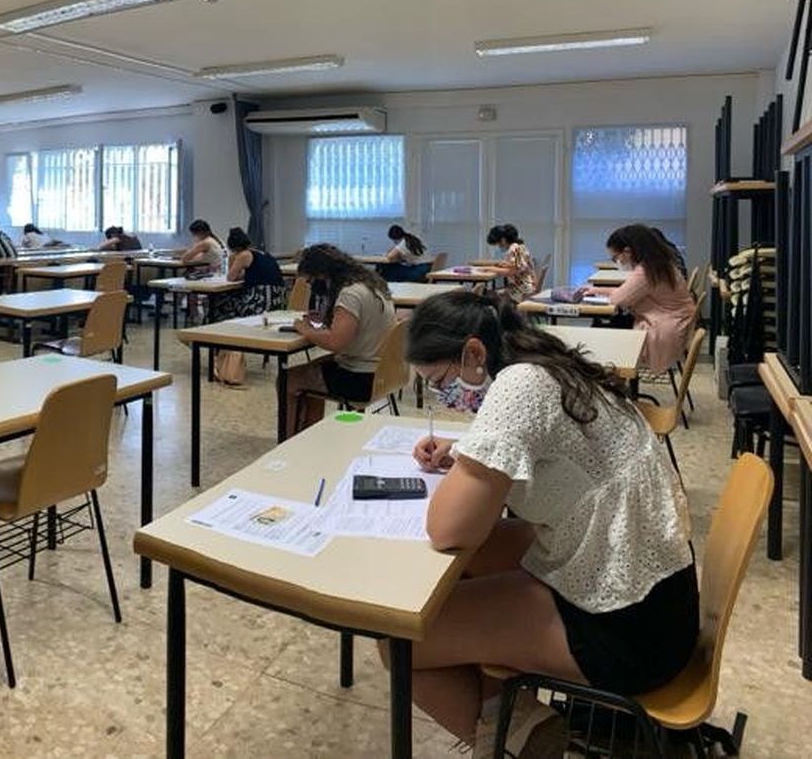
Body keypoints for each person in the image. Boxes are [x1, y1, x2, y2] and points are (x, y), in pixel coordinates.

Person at [397, 289, 695, 756]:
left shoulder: (518, 387)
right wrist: (463, 455)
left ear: (474, 352)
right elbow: (553, 449)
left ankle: (519, 745)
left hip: (625, 630)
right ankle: (511, 718)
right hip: (659, 599)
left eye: (440, 381)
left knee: (400, 640)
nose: (443, 397)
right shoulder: (544, 364)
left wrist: (465, 470)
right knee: (477, 557)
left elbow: (448, 528)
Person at [282, 244, 397, 425]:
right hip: (384, 372)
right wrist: (328, 320)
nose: (312, 286)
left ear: (322, 274)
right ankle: (308, 432)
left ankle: (288, 441)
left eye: (311, 281)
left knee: (286, 380)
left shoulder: (349, 294)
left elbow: (335, 342)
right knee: (313, 368)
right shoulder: (371, 286)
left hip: (360, 379)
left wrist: (303, 328)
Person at [590, 224, 696, 373]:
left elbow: (619, 300)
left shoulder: (646, 271)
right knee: (613, 323)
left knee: (602, 332)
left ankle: (616, 377)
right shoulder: (659, 265)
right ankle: (618, 380)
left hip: (663, 331)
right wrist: (598, 290)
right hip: (674, 324)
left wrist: (602, 292)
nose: (617, 262)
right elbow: (627, 292)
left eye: (615, 258)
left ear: (627, 251)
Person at [207, 228, 284, 385]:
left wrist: (232, 259)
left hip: (261, 301)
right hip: (277, 300)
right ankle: (222, 349)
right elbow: (249, 274)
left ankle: (219, 349)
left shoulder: (243, 255)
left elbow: (230, 277)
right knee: (227, 302)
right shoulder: (262, 254)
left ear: (233, 247)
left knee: (221, 306)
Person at [485, 224, 538, 301]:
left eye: (498, 243)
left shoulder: (513, 249)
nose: (499, 246)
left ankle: (502, 312)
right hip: (527, 286)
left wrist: (490, 269)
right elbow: (518, 266)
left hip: (522, 289)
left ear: (503, 240)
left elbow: (512, 271)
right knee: (490, 292)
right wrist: (505, 265)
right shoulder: (520, 247)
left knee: (488, 294)